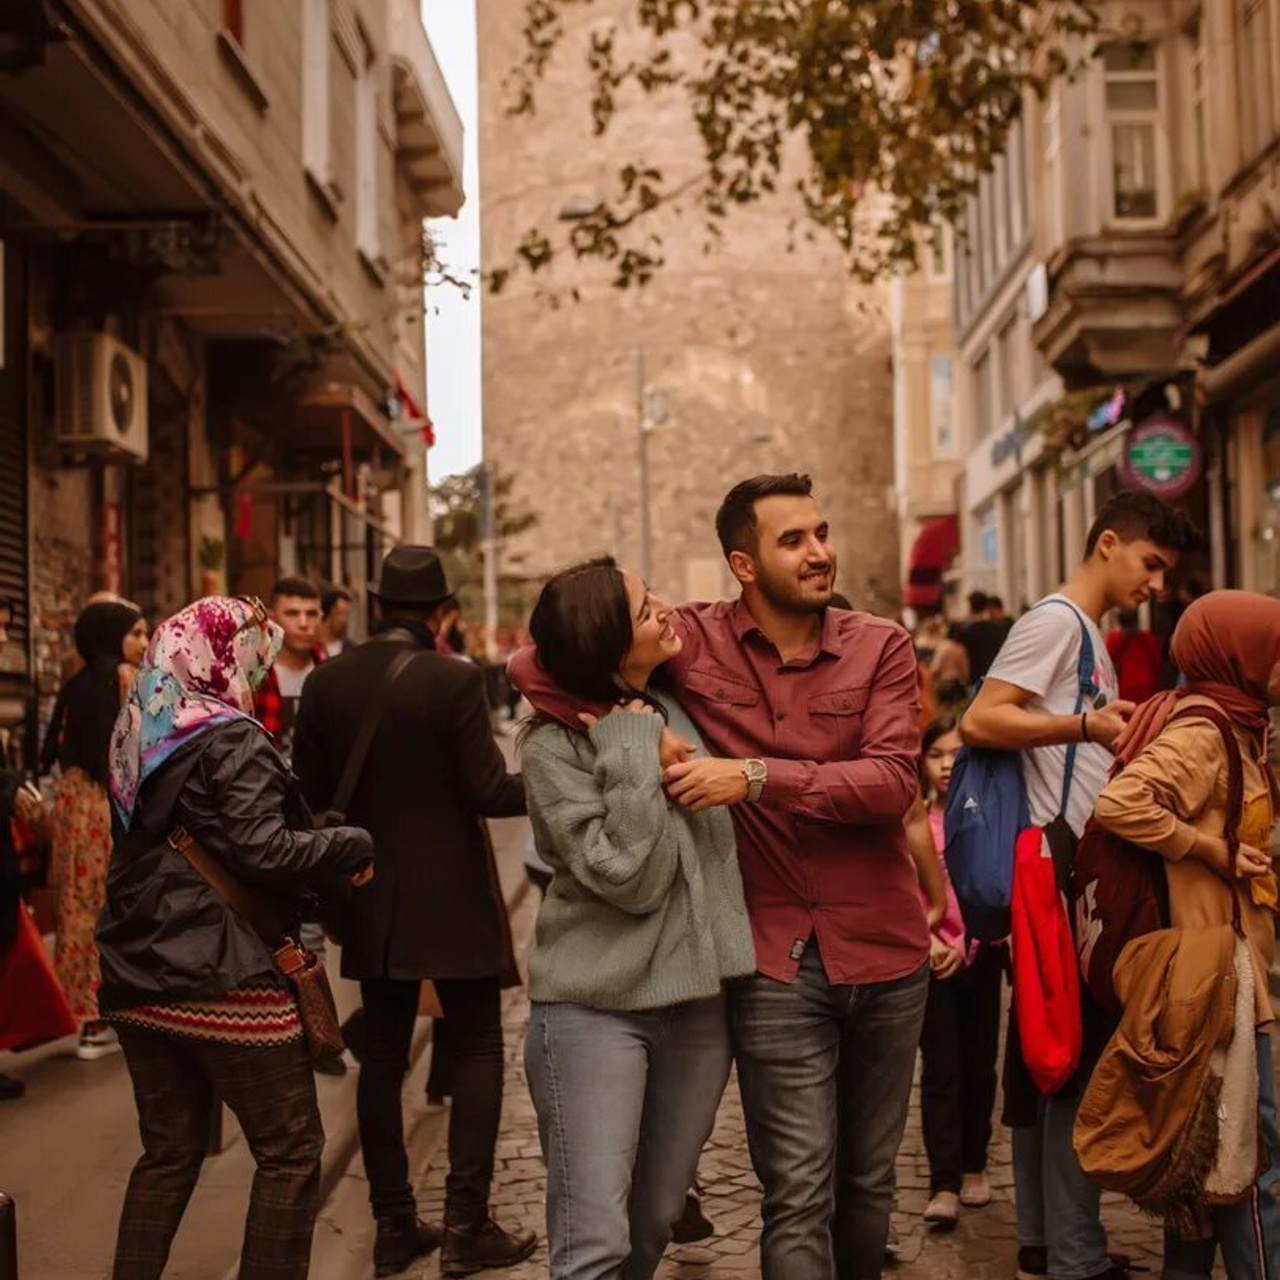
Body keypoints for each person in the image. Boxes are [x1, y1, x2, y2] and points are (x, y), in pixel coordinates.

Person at [512, 473, 928, 1280]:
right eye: (794, 540)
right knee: (797, 1191)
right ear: (744, 563)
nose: (820, 552)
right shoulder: (690, 646)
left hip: (882, 946)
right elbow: (546, 659)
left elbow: (892, 784)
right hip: (770, 961)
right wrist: (626, 730)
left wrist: (756, 775)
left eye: (821, 532)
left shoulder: (882, 645)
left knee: (868, 1186)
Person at [96, 596, 375, 1280]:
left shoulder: (142, 730)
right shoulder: (231, 735)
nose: (260, 667)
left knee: (167, 1152)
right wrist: (350, 841)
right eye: (254, 653)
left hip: (136, 973)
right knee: (290, 1152)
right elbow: (263, 850)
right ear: (221, 656)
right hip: (225, 974)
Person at [959, 489, 1199, 1280]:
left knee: (1046, 1052)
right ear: (1107, 543)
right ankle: (1075, 1254)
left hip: (1061, 865)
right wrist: (1088, 726)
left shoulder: (1085, 630)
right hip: (1058, 870)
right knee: (1075, 1053)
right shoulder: (1058, 622)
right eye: (1150, 564)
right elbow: (982, 720)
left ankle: (1043, 1240)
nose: (1156, 585)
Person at [293, 545, 534, 1279]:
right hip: (454, 898)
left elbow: (303, 798)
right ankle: (467, 1225)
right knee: (478, 1049)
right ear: (439, 613)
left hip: (368, 895)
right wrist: (561, 774)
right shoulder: (454, 680)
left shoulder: (326, 682)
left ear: (374, 605)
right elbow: (491, 792)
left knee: (385, 1056)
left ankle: (394, 1224)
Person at [518, 556, 756, 1279]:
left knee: (654, 1221)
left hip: (697, 1007)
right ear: (603, 641)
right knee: (595, 1243)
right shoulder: (552, 747)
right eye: (643, 607)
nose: (665, 611)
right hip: (595, 1010)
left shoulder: (677, 701)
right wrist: (629, 749)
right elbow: (631, 879)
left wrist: (646, 725)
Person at [1092, 591, 1280, 1280]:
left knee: (1202, 1161)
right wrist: (1209, 849)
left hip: (1221, 965)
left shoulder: (1239, 721)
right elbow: (1121, 802)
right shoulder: (1205, 731)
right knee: (1252, 1159)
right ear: (1240, 654)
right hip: (1218, 975)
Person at [41, 598, 147, 1060]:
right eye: (137, 633)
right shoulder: (125, 678)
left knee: (76, 907)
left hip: (72, 806)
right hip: (108, 807)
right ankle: (109, 1012)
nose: (144, 643)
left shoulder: (76, 682)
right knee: (115, 905)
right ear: (113, 637)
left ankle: (85, 1018)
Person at [910, 717, 1003, 1227]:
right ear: (921, 761)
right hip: (932, 962)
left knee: (979, 1067)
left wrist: (968, 943)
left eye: (957, 754)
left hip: (981, 956)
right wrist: (929, 944)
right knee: (941, 1072)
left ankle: (974, 1167)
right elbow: (902, 893)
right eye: (936, 754)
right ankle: (943, 1181)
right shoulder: (916, 822)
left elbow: (998, 894)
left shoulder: (987, 821)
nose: (947, 765)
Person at [254, 576, 325, 762]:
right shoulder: (254, 677)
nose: (303, 623)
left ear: (321, 617)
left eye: (311, 614)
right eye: (292, 613)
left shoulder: (333, 675)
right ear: (272, 618)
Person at [1105, 609, 1163, 705]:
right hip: (1147, 685)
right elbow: (1157, 663)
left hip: (1124, 686)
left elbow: (1107, 663)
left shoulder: (1113, 638)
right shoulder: (1148, 638)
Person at [318, 585, 354, 658]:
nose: (344, 620)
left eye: (347, 614)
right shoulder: (309, 647)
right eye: (340, 613)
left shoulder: (352, 650)